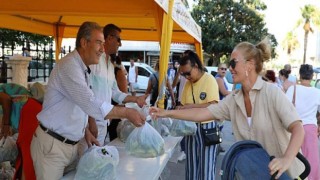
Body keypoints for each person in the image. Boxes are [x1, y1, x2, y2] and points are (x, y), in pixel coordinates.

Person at [150, 38, 305, 179]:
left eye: (233, 63)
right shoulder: (234, 99)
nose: (229, 68)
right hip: (257, 174)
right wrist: (167, 113)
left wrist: (286, 159)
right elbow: (203, 113)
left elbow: (298, 128)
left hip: (287, 174)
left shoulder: (271, 93)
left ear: (250, 65)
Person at [30, 22, 146, 179]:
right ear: (84, 43)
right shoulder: (69, 66)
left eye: (103, 44)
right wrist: (126, 112)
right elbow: (90, 103)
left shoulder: (84, 67)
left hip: (72, 144)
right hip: (53, 147)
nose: (102, 49)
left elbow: (77, 105)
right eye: (99, 43)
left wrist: (85, 131)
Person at [167, 51, 220, 180]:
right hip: (191, 129)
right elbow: (183, 105)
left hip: (207, 129)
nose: (186, 77)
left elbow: (213, 106)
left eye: (188, 73)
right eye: (183, 74)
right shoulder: (187, 84)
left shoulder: (209, 80)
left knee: (206, 170)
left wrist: (189, 107)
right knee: (191, 169)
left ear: (196, 66)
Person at [286, 64, 320, 180]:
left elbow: (285, 108)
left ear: (300, 75)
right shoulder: (317, 92)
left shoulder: (293, 89)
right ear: (311, 76)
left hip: (294, 127)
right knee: (312, 159)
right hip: (311, 128)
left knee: (293, 156)